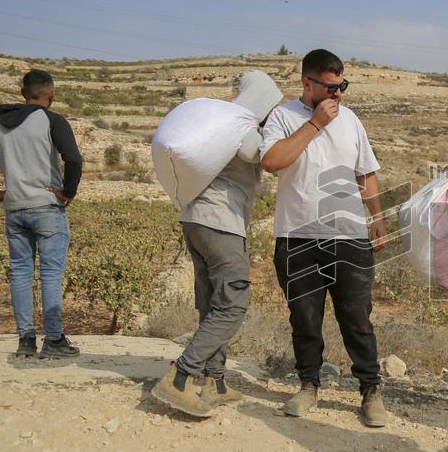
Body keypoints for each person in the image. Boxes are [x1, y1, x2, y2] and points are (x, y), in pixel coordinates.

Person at [261, 49, 388, 428]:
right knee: (305, 318)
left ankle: (370, 389)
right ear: (307, 83)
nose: (338, 95)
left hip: (348, 237)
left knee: (357, 319)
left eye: (342, 86)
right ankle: (308, 385)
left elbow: (365, 173)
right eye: (331, 87)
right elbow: (272, 161)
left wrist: (378, 217)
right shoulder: (283, 117)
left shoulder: (351, 120)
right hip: (297, 237)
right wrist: (315, 124)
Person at [151, 71, 282, 417]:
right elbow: (263, 155)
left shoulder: (220, 124)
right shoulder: (242, 128)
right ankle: (179, 379)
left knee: (213, 304)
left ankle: (216, 382)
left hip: (195, 221)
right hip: (221, 224)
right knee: (232, 306)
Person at [0, 69, 82, 358]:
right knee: (51, 274)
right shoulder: (53, 120)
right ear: (51, 95)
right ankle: (53, 340)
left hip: (14, 209)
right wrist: (68, 192)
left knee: (20, 274)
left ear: (22, 94)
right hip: (47, 207)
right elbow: (74, 159)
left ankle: (26, 340)